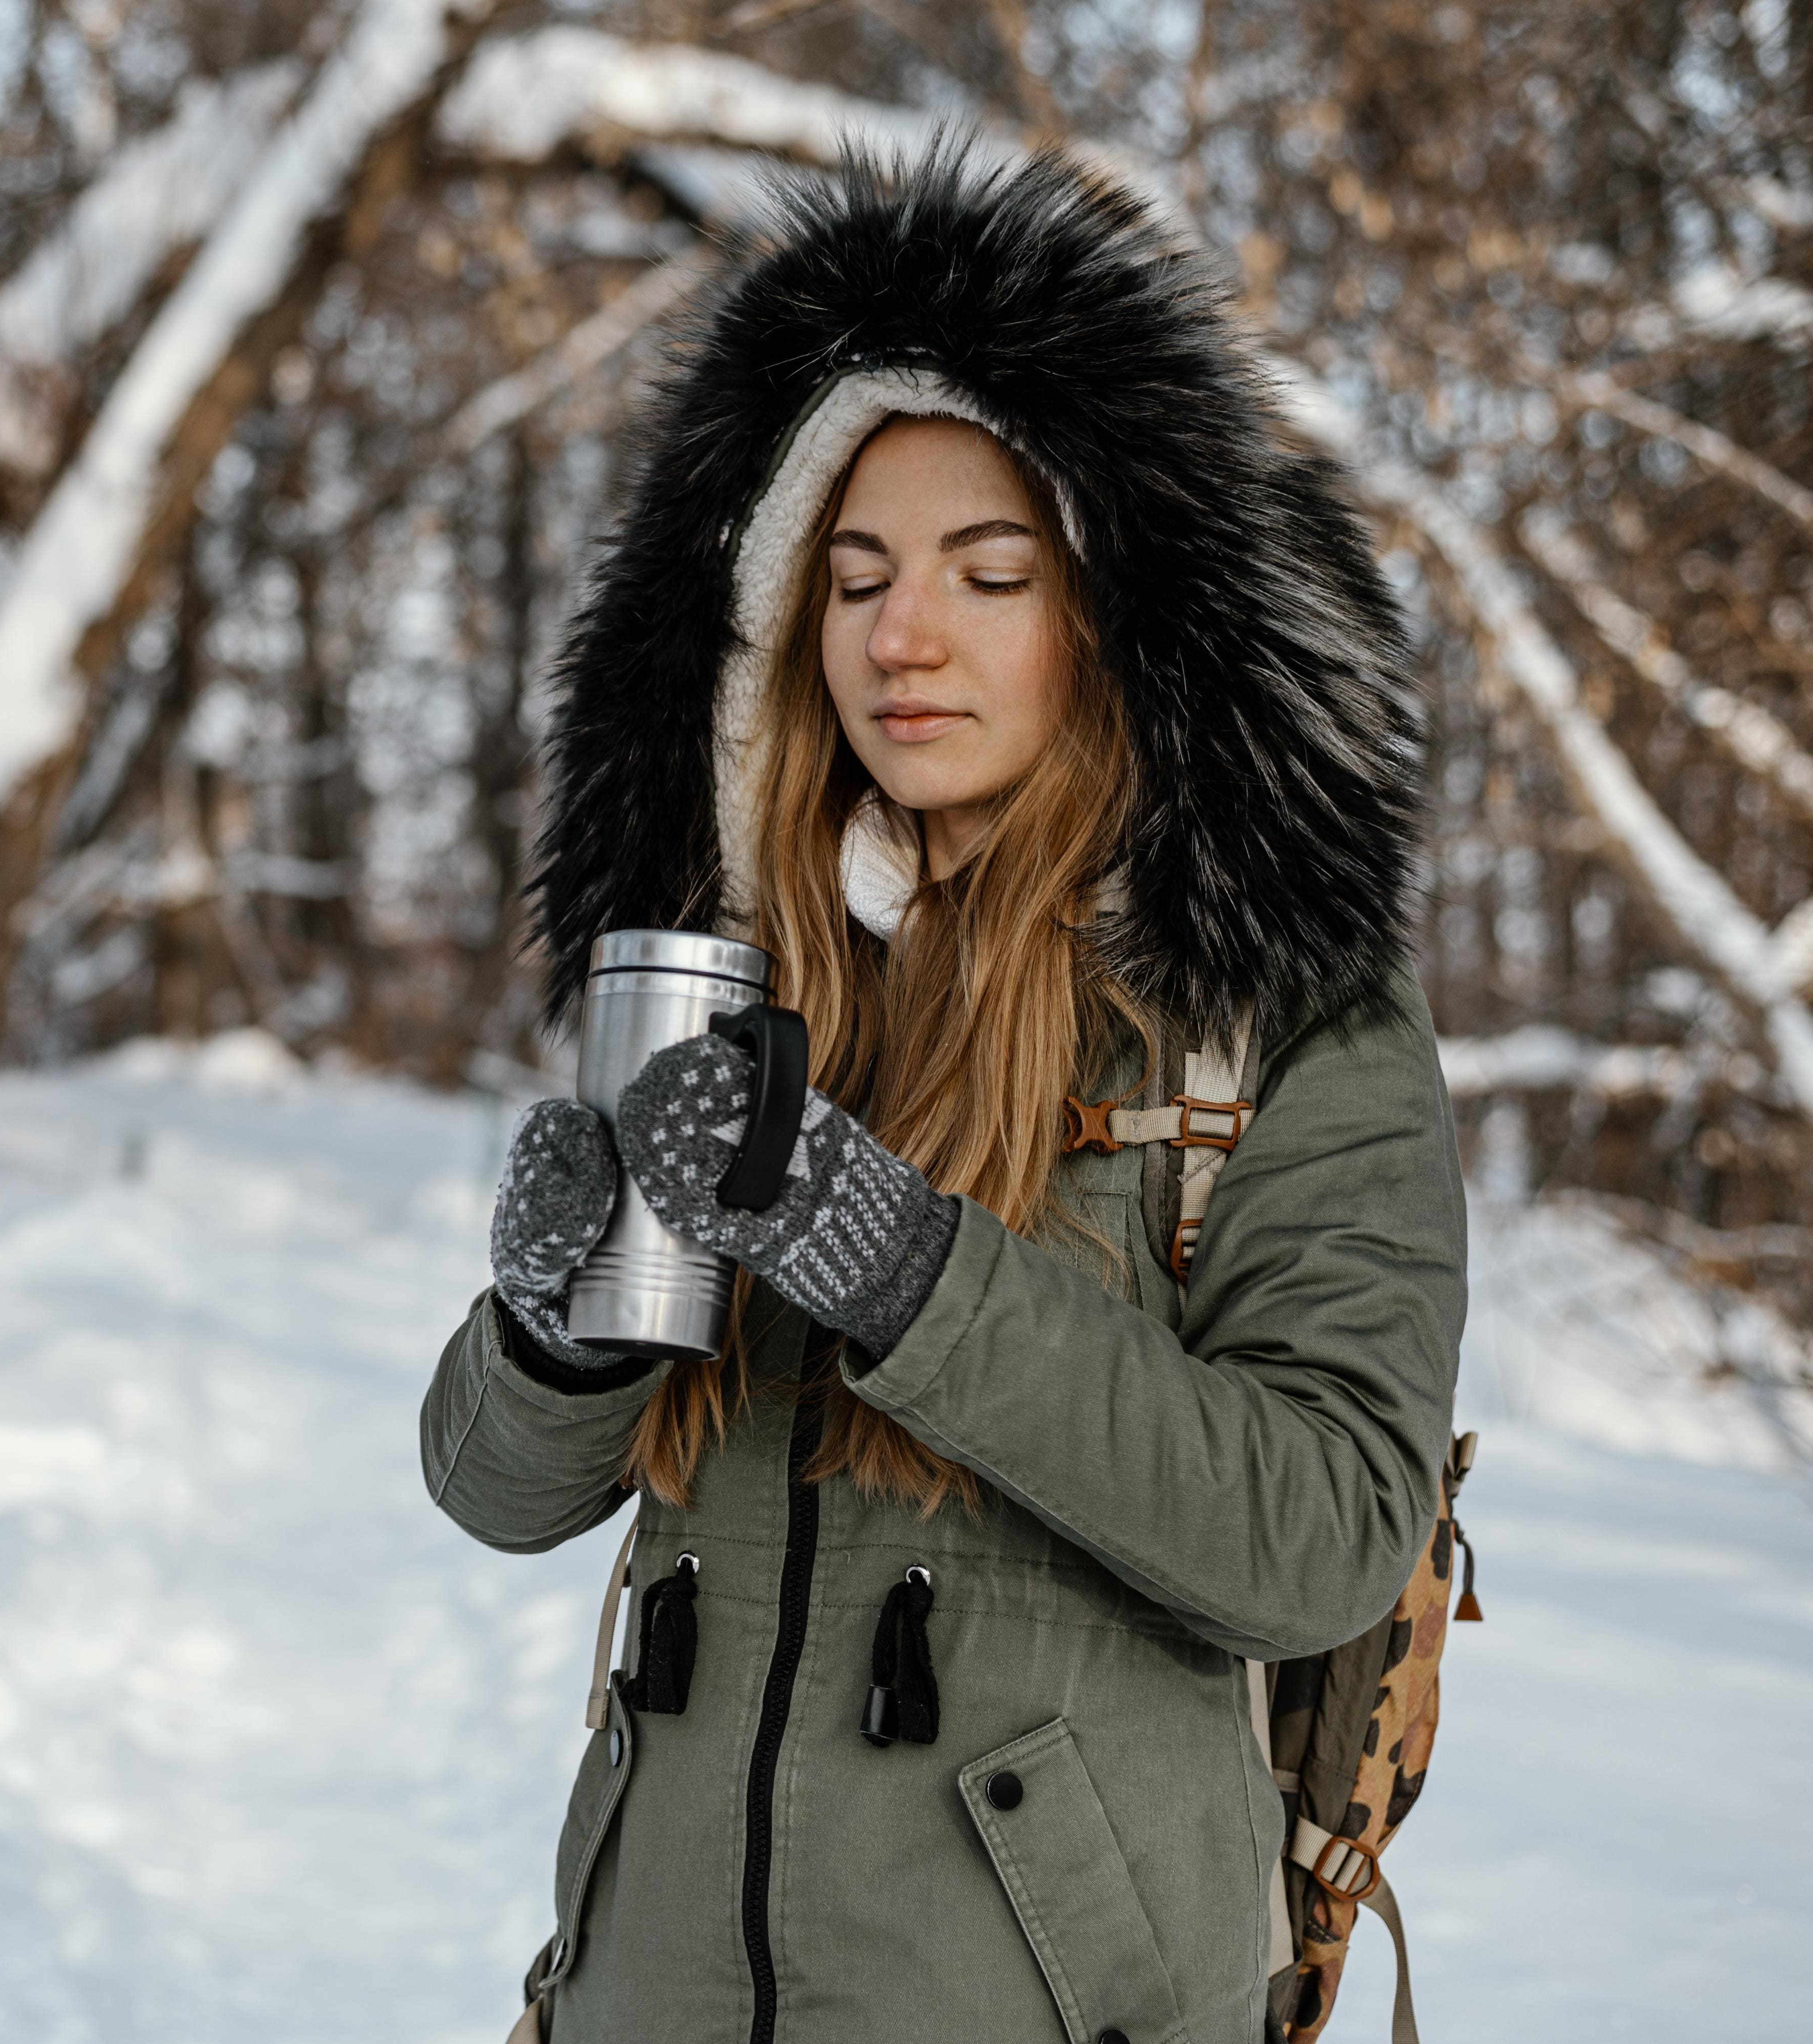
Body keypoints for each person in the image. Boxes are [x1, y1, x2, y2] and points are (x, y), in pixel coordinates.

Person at [421, 144, 1466, 2044]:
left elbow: (1324, 1530)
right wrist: (557, 1336)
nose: (906, 635)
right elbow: (492, 1494)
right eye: (856, 577)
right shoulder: (747, 971)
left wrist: (899, 1262)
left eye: (992, 574)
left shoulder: (1270, 1010)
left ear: (1119, 616)